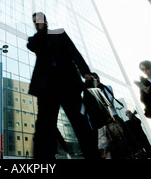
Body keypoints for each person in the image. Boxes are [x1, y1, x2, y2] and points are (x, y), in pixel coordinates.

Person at [27, 12, 99, 159]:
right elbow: (32, 46)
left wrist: (85, 71)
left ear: (45, 21)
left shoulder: (59, 33)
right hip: (46, 88)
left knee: (80, 123)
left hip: (68, 83)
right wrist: (41, 31)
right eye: (34, 22)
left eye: (38, 21)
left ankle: (92, 155)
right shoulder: (35, 39)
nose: (36, 23)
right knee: (44, 126)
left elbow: (74, 52)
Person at [89, 72, 133, 159]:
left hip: (113, 117)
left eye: (96, 77)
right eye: (92, 78)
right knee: (109, 146)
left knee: (122, 141)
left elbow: (109, 101)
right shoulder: (91, 92)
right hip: (103, 122)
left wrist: (98, 91)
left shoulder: (107, 87)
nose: (95, 79)